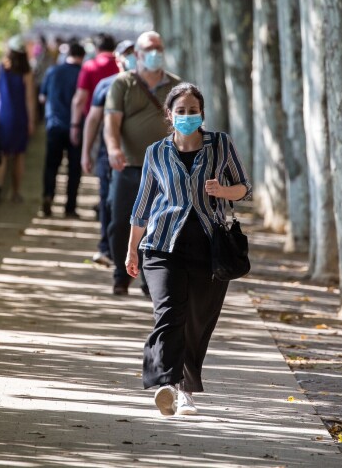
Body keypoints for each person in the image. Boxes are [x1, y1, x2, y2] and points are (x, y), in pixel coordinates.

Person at [126, 82, 252, 416]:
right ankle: (171, 388)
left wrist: (223, 191)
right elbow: (142, 206)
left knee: (197, 322)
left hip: (210, 248)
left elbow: (244, 188)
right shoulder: (156, 152)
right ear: (169, 115)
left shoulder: (220, 144)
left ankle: (184, 387)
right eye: (179, 111)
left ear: (201, 113)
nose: (186, 116)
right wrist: (132, 250)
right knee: (169, 314)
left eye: (192, 111)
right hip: (161, 246)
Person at [103, 31, 181, 295]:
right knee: (120, 222)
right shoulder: (122, 84)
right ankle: (121, 273)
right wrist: (113, 149)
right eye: (149, 48)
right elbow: (111, 122)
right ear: (137, 54)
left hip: (164, 169)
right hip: (128, 166)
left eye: (159, 47)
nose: (155, 52)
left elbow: (185, 124)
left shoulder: (176, 85)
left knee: (158, 224)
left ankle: (151, 278)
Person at [80, 39, 135, 268]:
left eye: (134, 53)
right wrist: (86, 152)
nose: (130, 58)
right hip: (107, 155)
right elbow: (93, 120)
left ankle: (129, 250)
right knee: (107, 201)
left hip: (139, 157)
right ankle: (107, 248)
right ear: (118, 58)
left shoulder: (154, 86)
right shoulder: (106, 85)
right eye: (127, 54)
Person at [39, 41, 86, 217]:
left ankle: (48, 196)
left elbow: (42, 97)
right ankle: (70, 206)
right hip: (77, 127)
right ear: (81, 57)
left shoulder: (53, 71)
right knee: (74, 169)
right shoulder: (83, 74)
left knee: (51, 165)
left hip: (55, 126)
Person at [0, 35, 36, 203]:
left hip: (3, 116)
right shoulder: (27, 73)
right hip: (20, 117)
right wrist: (31, 121)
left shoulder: (1, 69)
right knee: (19, 155)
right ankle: (15, 192)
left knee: (3, 153)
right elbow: (30, 99)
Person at [69, 32, 117, 148]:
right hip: (119, 121)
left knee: (95, 158)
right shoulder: (122, 64)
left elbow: (80, 99)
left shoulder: (90, 66)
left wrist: (74, 125)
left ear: (97, 49)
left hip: (95, 121)